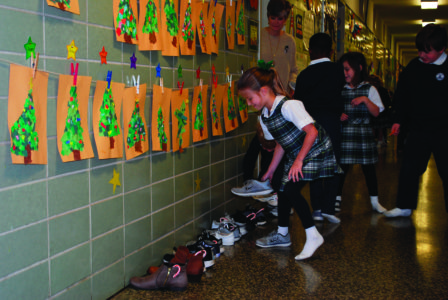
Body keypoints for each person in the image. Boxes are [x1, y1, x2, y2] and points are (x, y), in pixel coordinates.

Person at [237, 62, 341, 260]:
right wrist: (271, 169)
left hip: (316, 149)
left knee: (291, 189)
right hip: (297, 152)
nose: (249, 103)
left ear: (264, 90)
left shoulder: (289, 106)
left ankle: (313, 236)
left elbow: (312, 132)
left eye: (250, 98)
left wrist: (298, 161)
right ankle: (283, 235)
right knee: (281, 186)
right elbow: (281, 143)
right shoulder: (265, 117)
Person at [385, 24, 448, 218]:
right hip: (418, 128)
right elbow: (402, 97)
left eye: (427, 51)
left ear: (442, 49)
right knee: (410, 168)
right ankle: (404, 205)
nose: (422, 55)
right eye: (420, 50)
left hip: (444, 131)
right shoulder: (414, 67)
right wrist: (398, 120)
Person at [294, 32, 345, 223]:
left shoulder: (304, 75)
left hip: (310, 124)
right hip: (332, 121)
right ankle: (329, 208)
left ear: (310, 51)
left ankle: (316, 209)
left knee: (314, 166)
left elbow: (298, 102)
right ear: (331, 51)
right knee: (333, 164)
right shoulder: (337, 70)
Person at [337, 52, 386, 214]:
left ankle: (374, 201)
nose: (345, 73)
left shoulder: (369, 88)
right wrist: (339, 114)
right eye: (343, 69)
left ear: (359, 68)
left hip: (363, 133)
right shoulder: (340, 88)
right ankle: (336, 199)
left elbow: (377, 112)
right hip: (346, 133)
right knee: (341, 169)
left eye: (347, 69)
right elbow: (332, 108)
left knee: (369, 169)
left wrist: (365, 100)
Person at [261, 0, 298, 96]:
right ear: (268, 17)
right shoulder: (259, 35)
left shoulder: (290, 41)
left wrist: (291, 85)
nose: (276, 22)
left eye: (280, 18)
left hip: (282, 95)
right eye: (273, 18)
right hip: (260, 93)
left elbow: (294, 70)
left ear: (285, 20)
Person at [368, 74, 392, 147]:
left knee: (373, 127)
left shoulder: (369, 90)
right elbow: (388, 102)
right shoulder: (383, 90)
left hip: (372, 111)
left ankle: (373, 140)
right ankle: (380, 141)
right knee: (380, 127)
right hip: (381, 112)